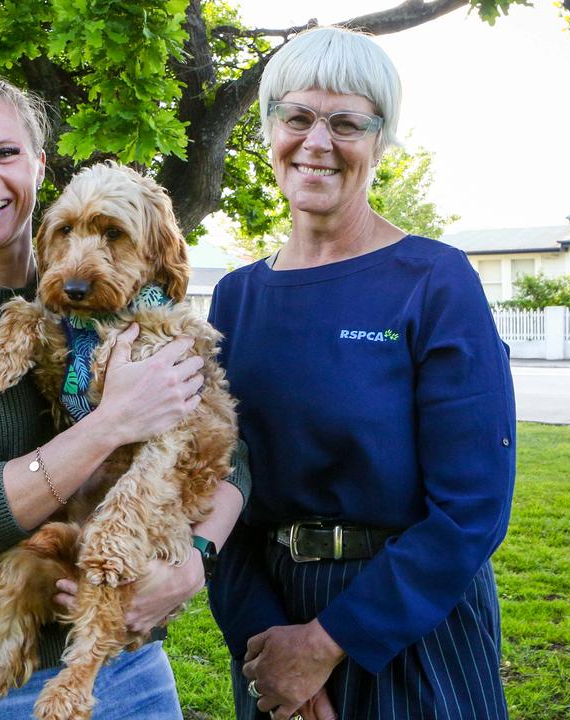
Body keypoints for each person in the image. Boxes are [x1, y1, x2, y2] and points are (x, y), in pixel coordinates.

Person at [0, 74, 248, 718]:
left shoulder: (120, 295)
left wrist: (194, 561)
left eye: (4, 153)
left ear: (39, 166)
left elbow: (231, 447)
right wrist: (114, 421)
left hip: (132, 664)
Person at [207, 27, 516, 720]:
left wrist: (329, 641)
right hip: (274, 626)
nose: (318, 142)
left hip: (411, 625)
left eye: (346, 122)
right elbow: (210, 485)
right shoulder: (235, 299)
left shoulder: (434, 281)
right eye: (297, 117)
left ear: (380, 142)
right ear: (269, 130)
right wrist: (271, 646)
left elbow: (473, 506)